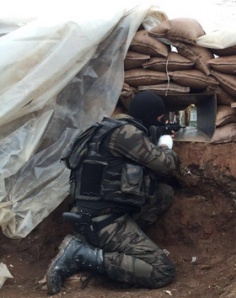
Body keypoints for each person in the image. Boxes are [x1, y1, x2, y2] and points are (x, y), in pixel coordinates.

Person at [45, 91, 179, 295]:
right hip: (104, 220)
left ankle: (107, 247)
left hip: (90, 212)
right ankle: (84, 254)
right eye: (160, 119)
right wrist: (165, 145)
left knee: (162, 193)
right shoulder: (127, 134)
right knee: (162, 271)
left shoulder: (108, 128)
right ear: (152, 116)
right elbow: (166, 165)